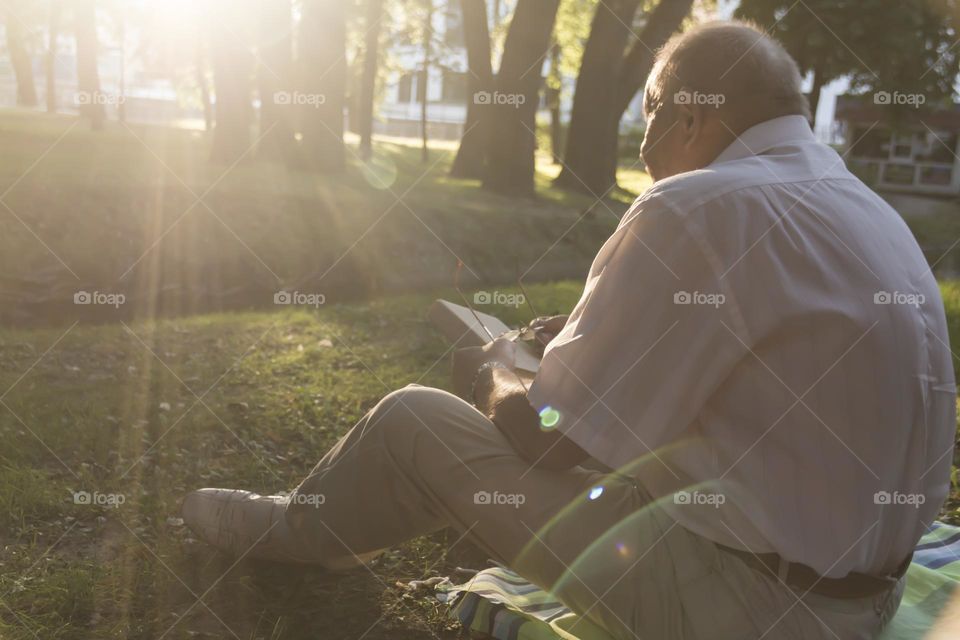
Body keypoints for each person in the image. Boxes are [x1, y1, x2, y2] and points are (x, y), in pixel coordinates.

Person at [181, 21, 956, 639]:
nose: (645, 136)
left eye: (647, 110)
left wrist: (497, 361)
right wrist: (587, 348)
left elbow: (546, 437)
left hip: (754, 613)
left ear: (688, 115)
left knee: (415, 420)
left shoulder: (694, 207)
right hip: (864, 600)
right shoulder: (863, 207)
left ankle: (289, 533)